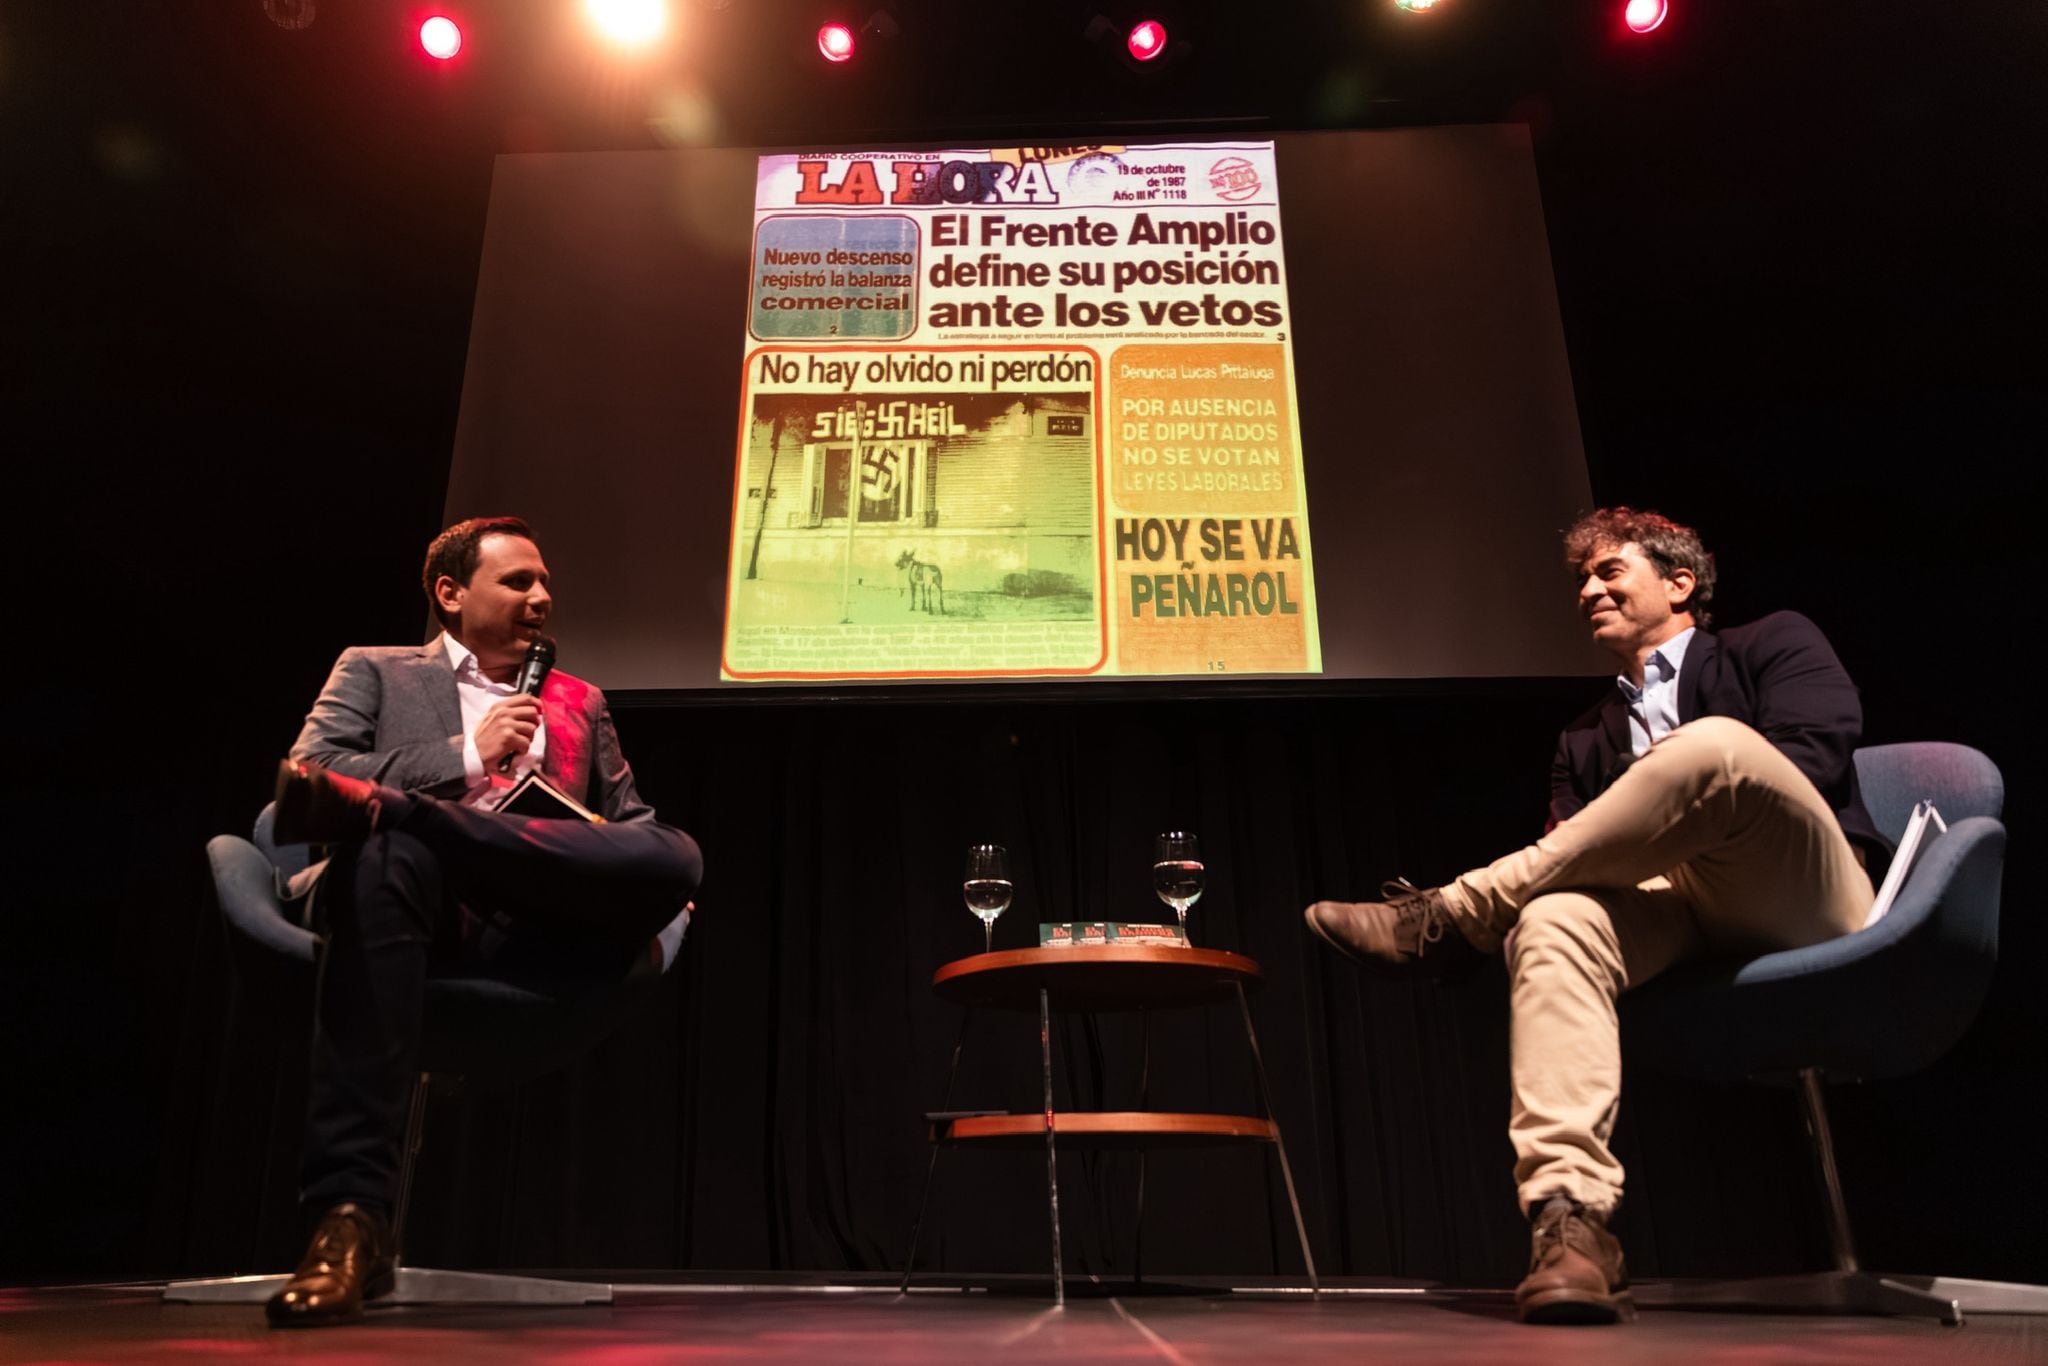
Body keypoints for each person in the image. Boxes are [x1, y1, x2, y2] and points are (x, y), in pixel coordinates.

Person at [1304, 507, 1885, 1325]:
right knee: (1554, 920)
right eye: (1580, 578)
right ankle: (1570, 1225)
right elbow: (1569, 858)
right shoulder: (1584, 737)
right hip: (1677, 915)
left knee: (1714, 746)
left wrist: (1673, 801)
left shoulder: (1769, 644)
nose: (1588, 589)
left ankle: (1448, 916)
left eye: (1609, 571)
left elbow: (1813, 756)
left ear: (1680, 583)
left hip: (1800, 889)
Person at [264, 516, 702, 1327]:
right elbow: (314, 774)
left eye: (545, 582)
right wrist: (467, 756)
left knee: (676, 858)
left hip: (531, 916)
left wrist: (616, 871)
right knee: (391, 853)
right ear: (450, 593)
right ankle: (348, 1221)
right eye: (519, 581)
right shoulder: (378, 669)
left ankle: (412, 818)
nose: (543, 596)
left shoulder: (582, 702)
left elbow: (635, 826)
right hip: (408, 904)